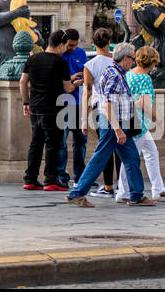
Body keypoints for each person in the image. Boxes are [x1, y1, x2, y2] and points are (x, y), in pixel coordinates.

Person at [65, 44, 153, 206]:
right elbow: (107, 103)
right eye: (132, 59)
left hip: (117, 123)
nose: (133, 62)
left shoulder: (117, 72)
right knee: (100, 157)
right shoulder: (114, 75)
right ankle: (77, 193)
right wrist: (118, 129)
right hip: (113, 123)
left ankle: (136, 195)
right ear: (125, 58)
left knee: (132, 157)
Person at [21, 29, 74, 191]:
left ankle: (30, 178)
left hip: (35, 107)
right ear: (60, 45)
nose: (66, 49)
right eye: (65, 46)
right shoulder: (61, 63)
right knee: (53, 144)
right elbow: (68, 88)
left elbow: (23, 82)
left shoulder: (33, 59)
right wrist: (76, 83)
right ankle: (50, 179)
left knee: (35, 144)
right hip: (53, 109)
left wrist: (26, 102)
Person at [116, 46, 165, 200]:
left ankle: (158, 188)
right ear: (152, 63)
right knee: (131, 158)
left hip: (131, 120)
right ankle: (123, 192)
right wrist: (159, 121)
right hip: (138, 123)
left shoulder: (129, 74)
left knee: (151, 152)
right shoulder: (145, 78)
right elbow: (145, 104)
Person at [83, 42, 131, 196]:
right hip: (116, 114)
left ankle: (109, 186)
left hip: (103, 112)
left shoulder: (90, 64)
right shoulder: (116, 68)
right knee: (117, 153)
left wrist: (84, 118)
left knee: (104, 152)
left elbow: (88, 92)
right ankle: (124, 188)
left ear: (95, 43)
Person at [55, 29, 100, 185]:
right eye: (69, 45)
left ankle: (80, 175)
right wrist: (71, 78)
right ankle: (61, 175)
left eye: (74, 46)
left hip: (79, 102)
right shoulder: (59, 54)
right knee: (61, 141)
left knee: (80, 141)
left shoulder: (81, 53)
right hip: (63, 101)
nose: (72, 48)